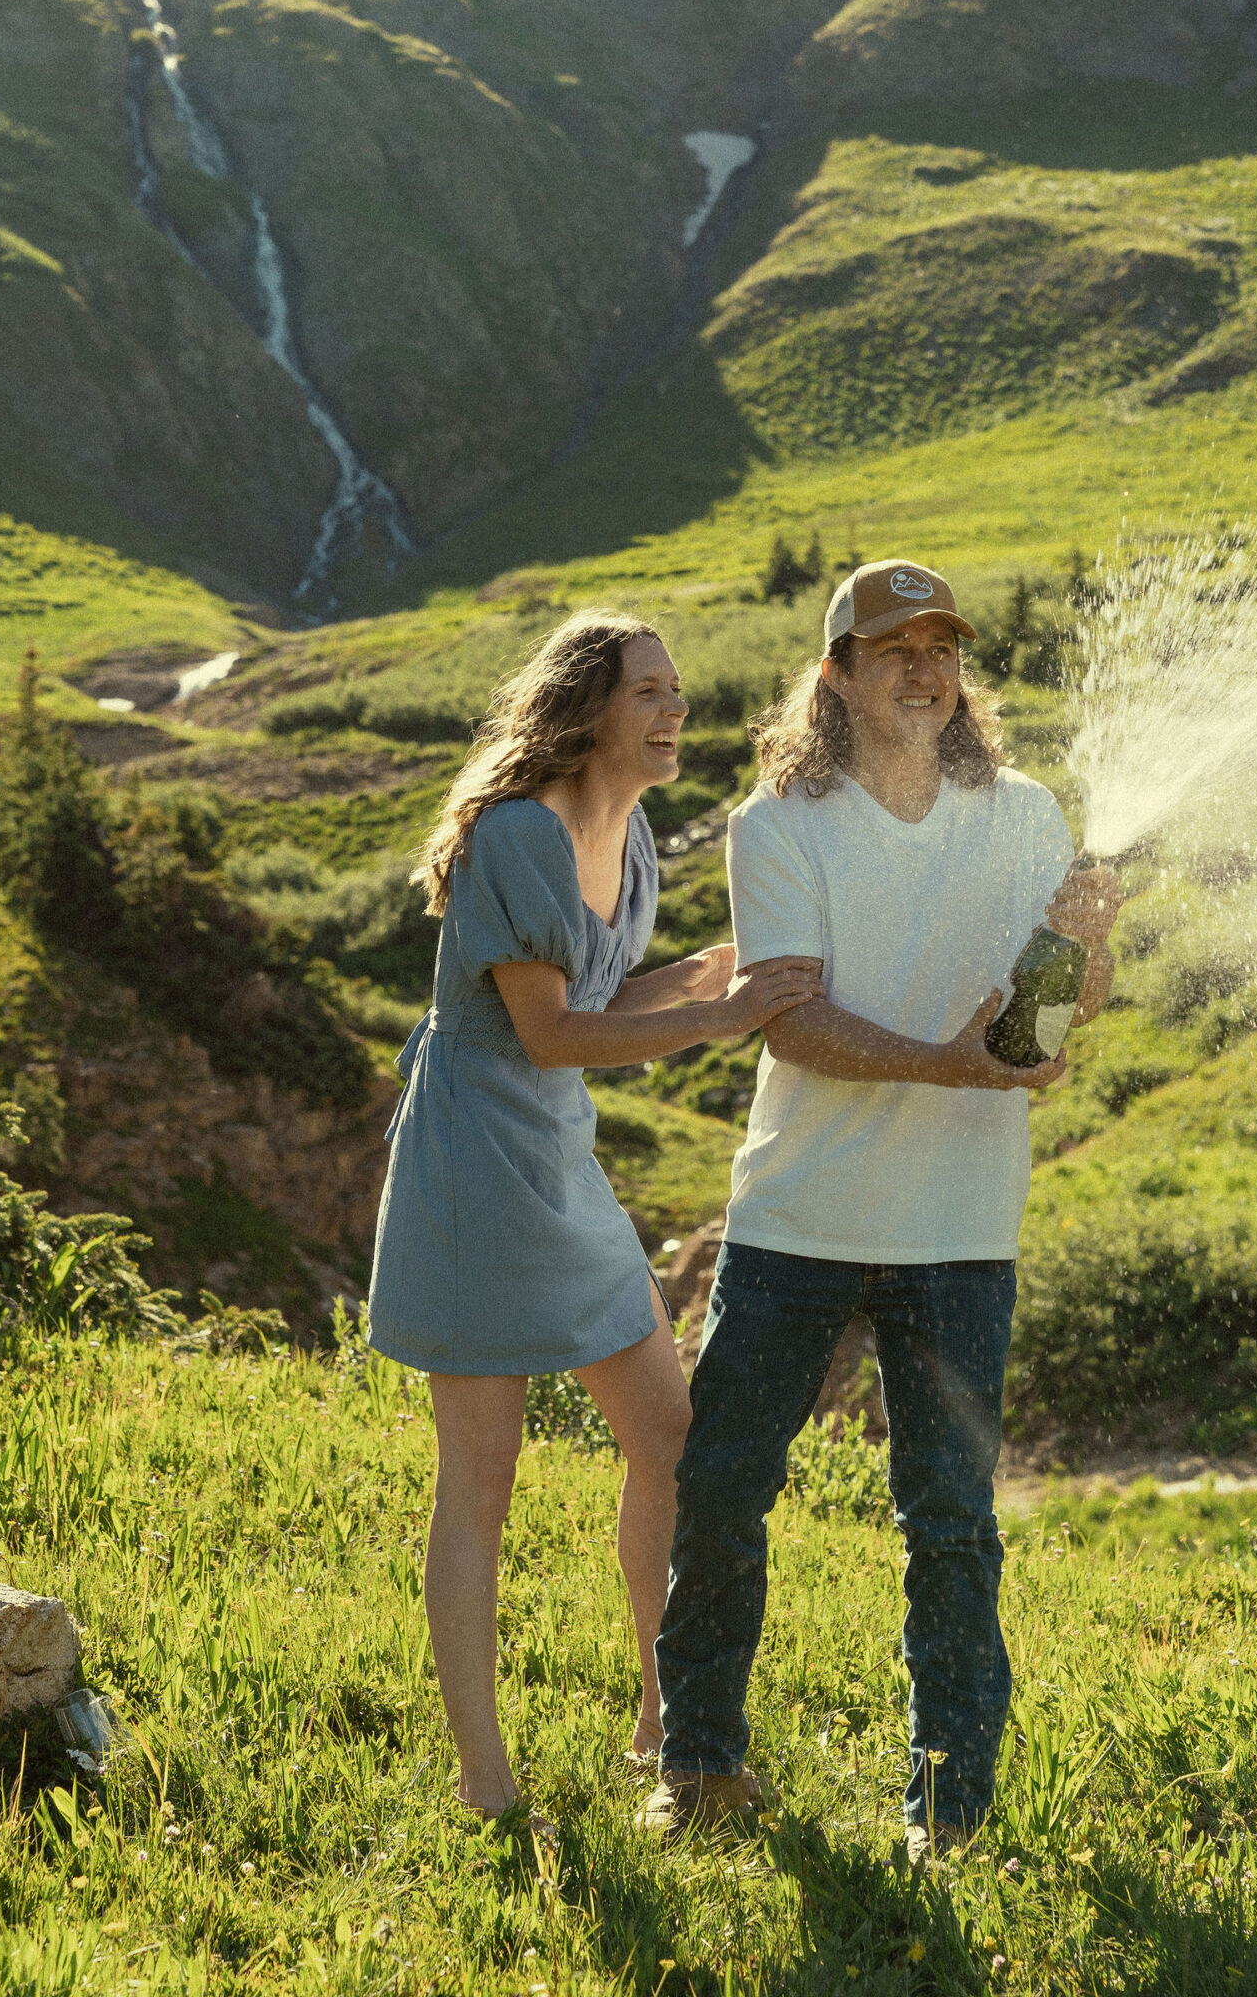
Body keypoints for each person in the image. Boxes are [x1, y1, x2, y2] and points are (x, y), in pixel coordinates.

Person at [641, 560, 1121, 1859]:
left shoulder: (1023, 815)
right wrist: (946, 1062)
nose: (922, 665)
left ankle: (948, 1813)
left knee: (951, 1527)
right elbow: (786, 1015)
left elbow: (1038, 1049)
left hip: (959, 1233)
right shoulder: (778, 827)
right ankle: (697, 1771)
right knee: (721, 1494)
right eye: (890, 645)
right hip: (797, 1219)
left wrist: (1079, 949)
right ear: (834, 675)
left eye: (942, 644)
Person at [366, 610, 823, 1815]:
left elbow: (605, 995)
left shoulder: (641, 834)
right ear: (588, 706)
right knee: (480, 1480)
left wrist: (719, 970)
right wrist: (717, 1016)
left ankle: (665, 1726)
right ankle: (485, 1780)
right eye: (650, 693)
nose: (676, 711)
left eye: (677, 691)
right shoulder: (517, 832)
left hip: (559, 1157)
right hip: (473, 1159)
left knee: (668, 1442)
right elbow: (549, 1030)